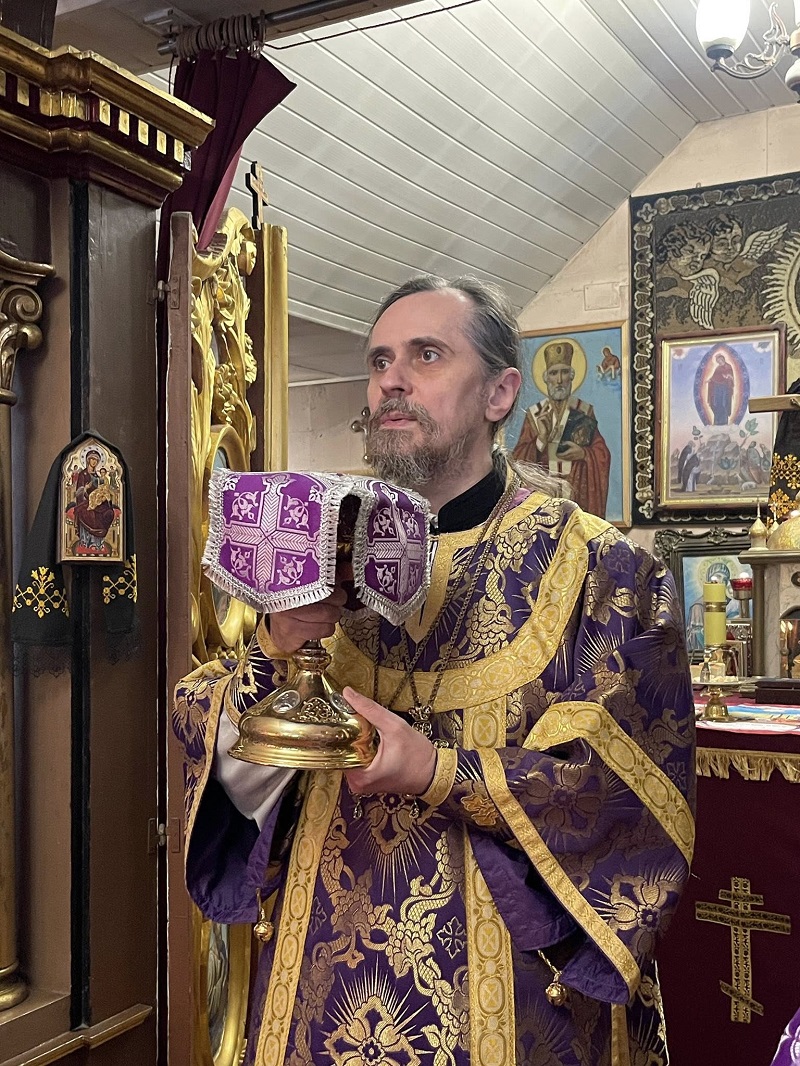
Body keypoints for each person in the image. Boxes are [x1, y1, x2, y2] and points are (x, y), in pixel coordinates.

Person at [174, 276, 695, 1066]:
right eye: (380, 361)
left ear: (500, 393)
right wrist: (277, 652)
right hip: (320, 991)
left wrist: (440, 771)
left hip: (509, 998)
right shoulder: (320, 542)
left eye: (426, 356)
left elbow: (630, 793)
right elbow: (222, 757)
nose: (393, 380)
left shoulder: (600, 566)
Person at [511, 339, 611, 517]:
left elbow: (602, 453)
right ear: (546, 378)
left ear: (571, 376)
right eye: (553, 373)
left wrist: (583, 453)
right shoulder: (535, 414)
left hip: (577, 492)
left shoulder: (584, 411)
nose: (559, 380)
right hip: (543, 500)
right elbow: (518, 462)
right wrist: (541, 439)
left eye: (564, 372)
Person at [706, 352, 735, 426]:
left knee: (723, 404)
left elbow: (731, 377)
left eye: (720, 360)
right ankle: (717, 422)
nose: (719, 362)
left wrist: (728, 376)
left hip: (724, 389)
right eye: (718, 361)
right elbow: (714, 377)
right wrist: (710, 380)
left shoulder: (728, 366)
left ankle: (724, 422)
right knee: (716, 404)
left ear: (723, 359)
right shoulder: (718, 368)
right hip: (717, 389)